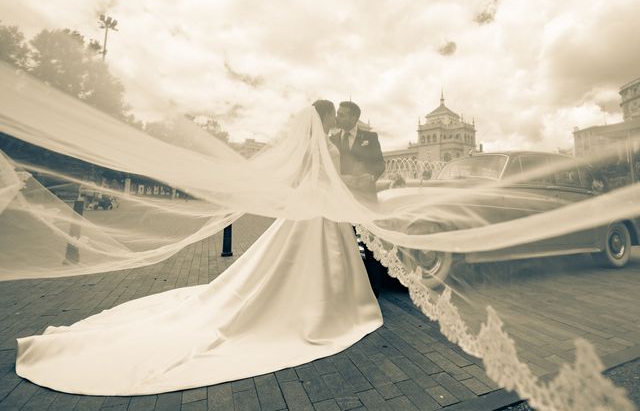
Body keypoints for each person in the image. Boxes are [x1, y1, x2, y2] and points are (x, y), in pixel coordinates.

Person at [14, 102, 383, 396]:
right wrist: (350, 182)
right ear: (324, 118)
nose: (337, 118)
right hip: (318, 206)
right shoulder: (323, 144)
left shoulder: (318, 143)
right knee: (308, 258)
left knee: (292, 260)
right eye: (334, 114)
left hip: (314, 206)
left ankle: (316, 301)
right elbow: (323, 176)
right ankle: (322, 305)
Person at [331, 101, 386, 297]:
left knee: (370, 246)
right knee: (344, 245)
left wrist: (371, 176)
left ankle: (373, 291)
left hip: (365, 199)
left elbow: (379, 163)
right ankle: (349, 289)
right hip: (341, 201)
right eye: (337, 113)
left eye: (343, 114)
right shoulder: (333, 138)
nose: (338, 117)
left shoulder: (370, 137)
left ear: (354, 118)